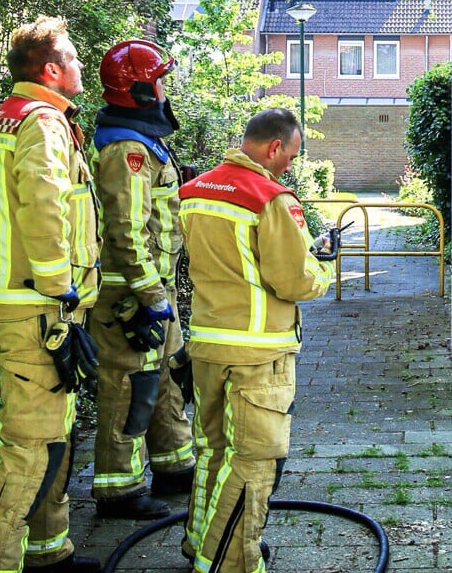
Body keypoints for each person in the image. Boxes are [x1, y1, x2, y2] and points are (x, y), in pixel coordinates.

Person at [0, 17, 102, 573]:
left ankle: (48, 550)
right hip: (39, 309)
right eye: (73, 56)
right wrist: (58, 287)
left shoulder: (7, 119)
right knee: (26, 447)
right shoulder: (43, 123)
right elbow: (44, 206)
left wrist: (3, 248)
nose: (80, 65)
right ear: (51, 70)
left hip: (25, 302)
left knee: (51, 435)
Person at [179, 109, 339, 573]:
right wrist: (323, 267)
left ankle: (197, 541)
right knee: (253, 461)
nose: (289, 164)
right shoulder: (270, 198)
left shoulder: (196, 191)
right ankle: (227, 562)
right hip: (258, 351)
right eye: (290, 155)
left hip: (206, 343)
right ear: (274, 148)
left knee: (212, 451)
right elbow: (292, 280)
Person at [89, 39, 196, 520]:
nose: (164, 86)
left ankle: (175, 466)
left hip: (155, 288)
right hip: (129, 295)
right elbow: (125, 232)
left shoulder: (143, 142)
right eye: (159, 78)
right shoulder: (127, 149)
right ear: (139, 89)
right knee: (127, 387)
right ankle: (119, 492)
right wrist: (151, 296)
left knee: (166, 376)